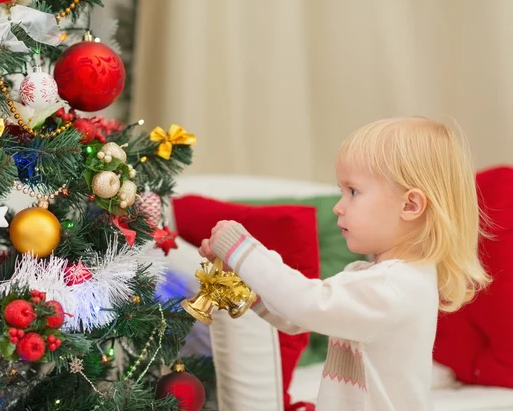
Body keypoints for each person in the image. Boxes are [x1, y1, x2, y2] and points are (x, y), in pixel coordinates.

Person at [198, 117, 491, 411]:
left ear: (410, 206)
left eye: (353, 191)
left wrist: (241, 249)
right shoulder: (370, 276)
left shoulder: (395, 287)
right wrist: (238, 280)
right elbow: (296, 319)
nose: (339, 206)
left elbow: (307, 303)